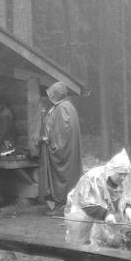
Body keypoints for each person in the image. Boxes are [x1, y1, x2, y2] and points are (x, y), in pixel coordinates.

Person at [64, 149, 131, 248]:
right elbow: (85, 202)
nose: (122, 177)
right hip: (81, 211)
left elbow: (127, 198)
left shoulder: (123, 181)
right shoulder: (93, 178)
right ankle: (75, 260)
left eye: (125, 174)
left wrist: (128, 209)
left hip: (105, 213)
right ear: (112, 170)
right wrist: (106, 214)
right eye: (120, 174)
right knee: (80, 240)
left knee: (109, 238)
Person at [42, 81, 83, 216]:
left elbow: (62, 132)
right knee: (70, 177)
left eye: (51, 94)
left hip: (64, 152)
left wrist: (53, 145)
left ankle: (61, 206)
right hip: (70, 150)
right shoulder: (68, 106)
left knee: (63, 177)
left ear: (56, 94)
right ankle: (66, 203)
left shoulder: (62, 108)